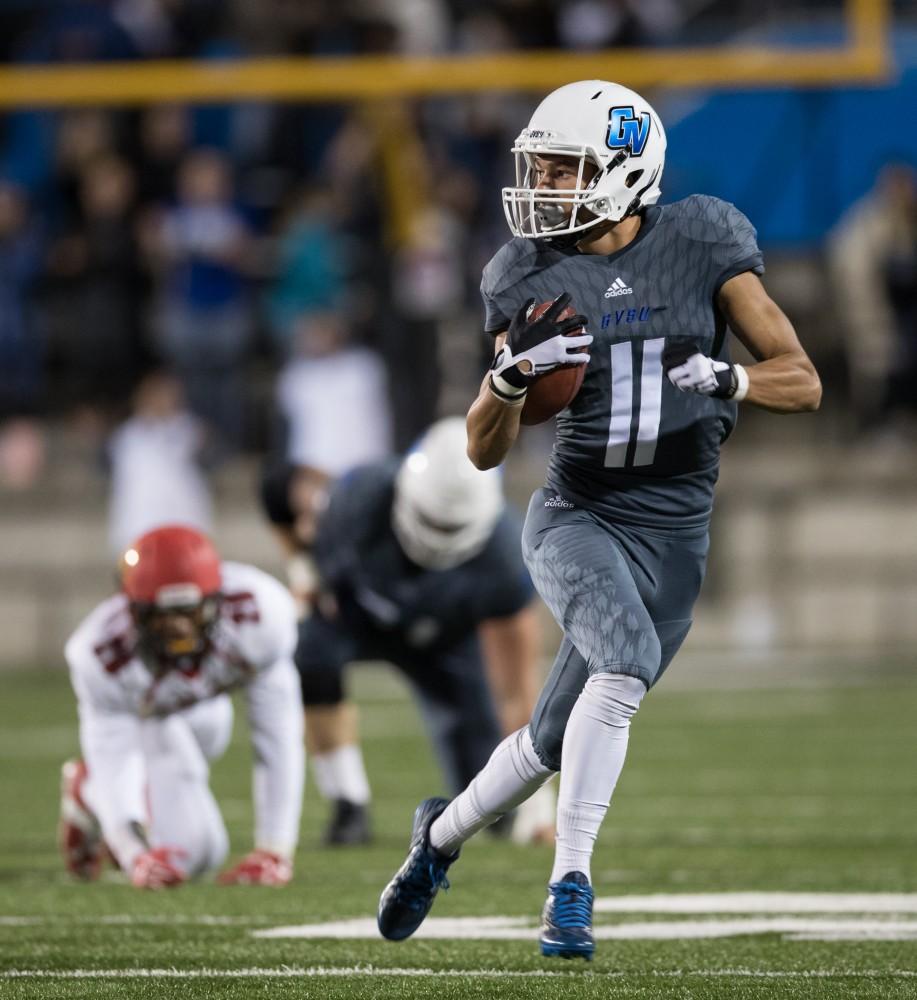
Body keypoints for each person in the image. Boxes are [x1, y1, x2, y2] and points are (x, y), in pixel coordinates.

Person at [377, 80, 821, 959]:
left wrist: (729, 380)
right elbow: (482, 450)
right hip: (577, 515)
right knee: (619, 668)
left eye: (562, 167)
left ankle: (437, 840)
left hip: (676, 532)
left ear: (624, 170)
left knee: (551, 736)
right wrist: (504, 383)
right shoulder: (526, 272)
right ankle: (569, 887)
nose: (541, 184)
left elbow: (801, 379)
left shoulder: (700, 240)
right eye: (538, 165)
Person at [262, 417, 551, 846]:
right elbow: (279, 491)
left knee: (489, 796)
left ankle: (505, 813)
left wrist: (540, 806)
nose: (436, 537)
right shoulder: (359, 498)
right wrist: (302, 575)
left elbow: (517, 692)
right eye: (432, 521)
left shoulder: (506, 562)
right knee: (307, 650)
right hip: (357, 616)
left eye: (450, 528)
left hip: (444, 642)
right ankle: (348, 804)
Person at [59, 524, 304, 888]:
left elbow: (278, 736)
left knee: (216, 728)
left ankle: (112, 792)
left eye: (189, 612)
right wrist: (134, 854)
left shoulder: (262, 614)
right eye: (160, 614)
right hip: (151, 715)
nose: (176, 627)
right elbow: (113, 755)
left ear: (215, 601)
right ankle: (88, 789)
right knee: (197, 851)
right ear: (133, 609)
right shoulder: (99, 653)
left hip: (206, 714)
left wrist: (275, 849)